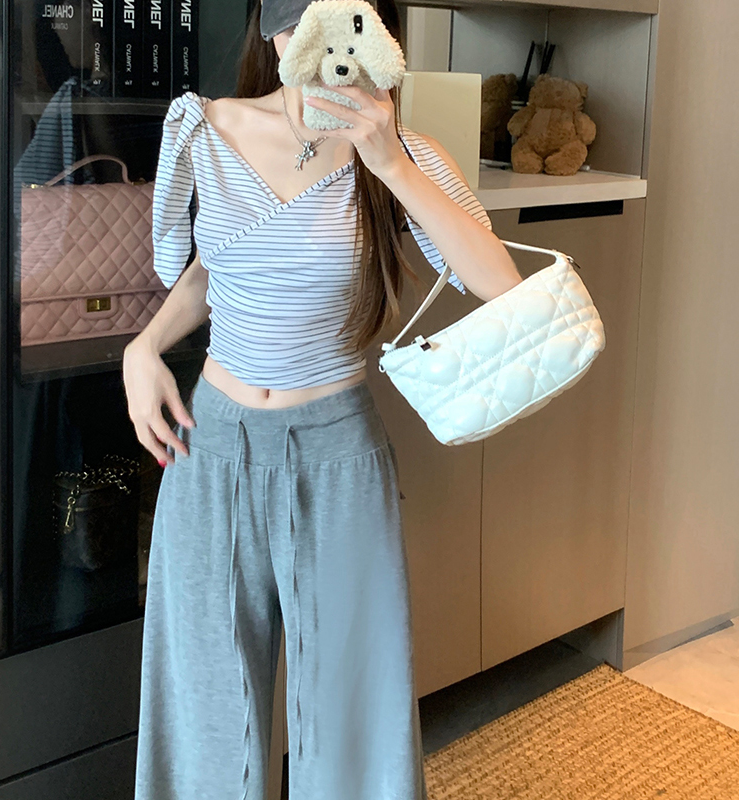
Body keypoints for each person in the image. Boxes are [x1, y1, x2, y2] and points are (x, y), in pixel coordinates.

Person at [124, 1, 522, 798]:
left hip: (336, 452)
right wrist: (144, 346)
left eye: (341, 21)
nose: (312, 45)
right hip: (213, 445)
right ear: (269, 33)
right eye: (293, 23)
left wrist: (392, 163)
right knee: (203, 716)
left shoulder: (402, 152)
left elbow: (502, 287)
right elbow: (217, 265)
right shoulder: (208, 127)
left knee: (352, 718)